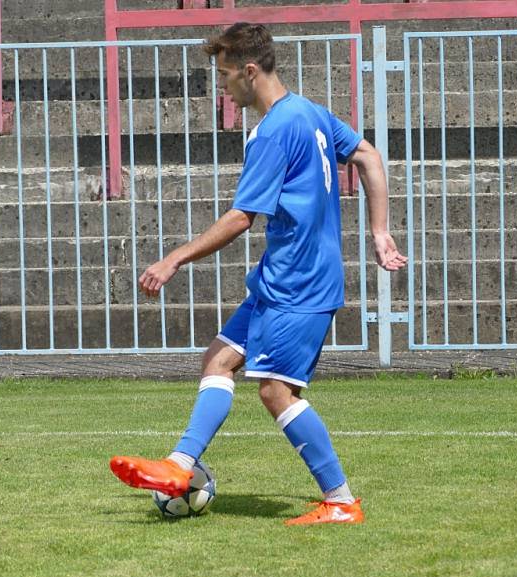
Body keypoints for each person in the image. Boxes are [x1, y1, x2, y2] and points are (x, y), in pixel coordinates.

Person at [109, 22, 407, 525]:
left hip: (300, 284)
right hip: (280, 277)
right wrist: (379, 231)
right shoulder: (308, 112)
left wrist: (173, 258)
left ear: (250, 71)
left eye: (225, 76)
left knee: (275, 391)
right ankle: (180, 465)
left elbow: (241, 218)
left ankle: (340, 501)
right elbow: (368, 156)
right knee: (219, 360)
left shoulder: (273, 131)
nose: (222, 88)